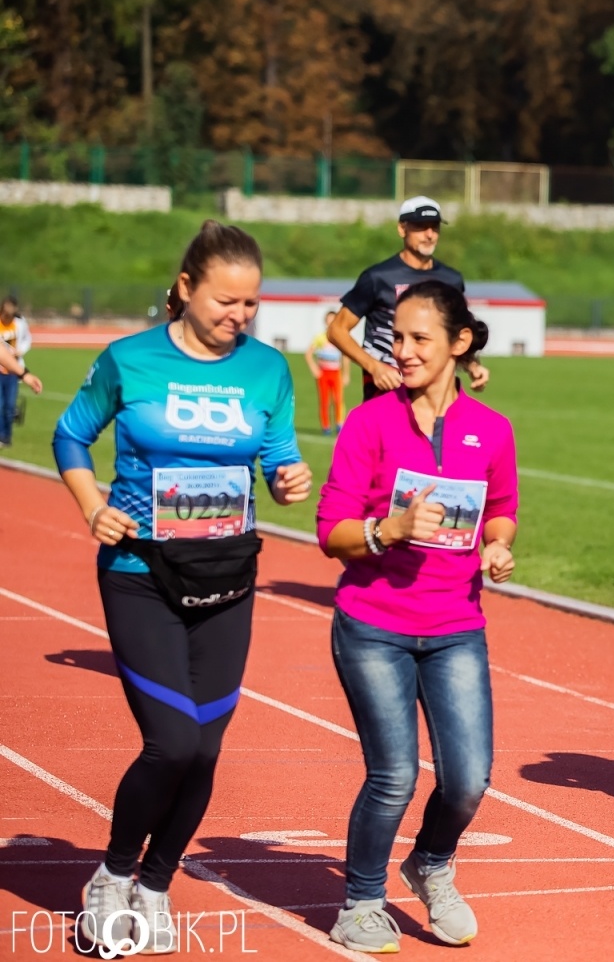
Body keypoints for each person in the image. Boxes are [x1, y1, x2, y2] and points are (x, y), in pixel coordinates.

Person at [52, 221, 312, 954]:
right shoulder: (129, 360)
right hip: (140, 573)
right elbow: (71, 436)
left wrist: (290, 481)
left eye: (252, 304)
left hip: (228, 576)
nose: (240, 315)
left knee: (206, 749)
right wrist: (91, 506)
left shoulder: (267, 370)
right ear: (187, 288)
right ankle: (108, 877)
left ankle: (156, 886)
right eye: (227, 300)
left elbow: (280, 461)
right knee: (171, 741)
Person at [317, 279, 518, 952]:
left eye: (418, 338)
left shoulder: (490, 429)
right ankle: (361, 902)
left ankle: (431, 863)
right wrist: (388, 529)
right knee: (395, 773)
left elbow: (503, 508)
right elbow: (330, 530)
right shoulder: (369, 422)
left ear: (459, 344)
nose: (401, 350)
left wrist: (497, 546)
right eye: (396, 337)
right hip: (374, 624)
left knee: (467, 779)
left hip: (456, 625)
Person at [327, 196, 489, 403]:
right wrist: (374, 367)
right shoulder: (377, 277)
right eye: (421, 227)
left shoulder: (452, 280)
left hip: (436, 392)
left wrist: (472, 365)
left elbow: (453, 334)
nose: (430, 235)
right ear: (402, 229)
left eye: (435, 227)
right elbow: (336, 330)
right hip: (387, 390)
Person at [305, 309, 351, 434]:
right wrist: (314, 368)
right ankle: (326, 426)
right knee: (325, 401)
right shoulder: (320, 337)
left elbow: (346, 356)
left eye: (333, 320)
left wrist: (346, 374)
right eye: (328, 320)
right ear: (325, 322)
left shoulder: (339, 337)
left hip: (336, 372)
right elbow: (308, 353)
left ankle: (339, 424)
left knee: (338, 400)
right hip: (323, 372)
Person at [0, 296, 35, 447]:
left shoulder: (20, 324)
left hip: (12, 372)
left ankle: (7, 436)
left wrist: (23, 371)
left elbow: (27, 340)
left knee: (9, 406)